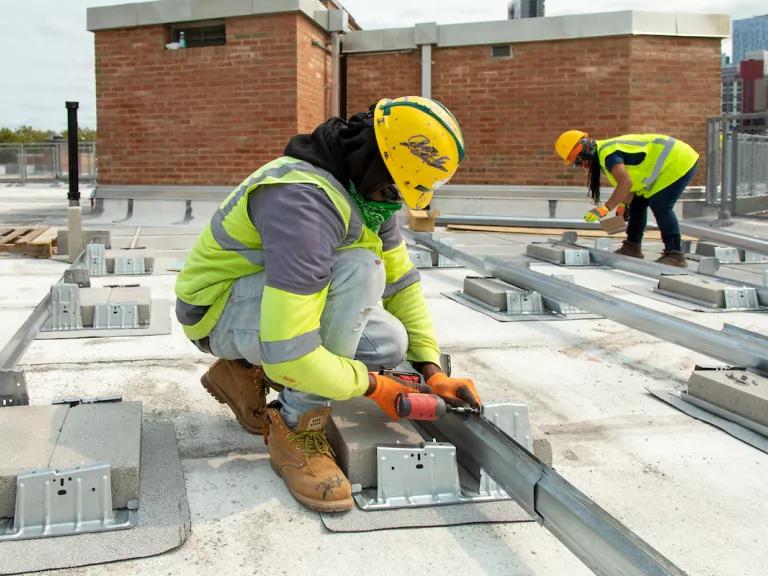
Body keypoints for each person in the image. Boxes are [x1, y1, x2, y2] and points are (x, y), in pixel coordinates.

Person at [175, 96, 482, 512]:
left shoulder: (367, 188)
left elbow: (403, 283)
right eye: (393, 189)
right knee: (361, 269)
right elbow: (291, 355)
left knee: (389, 342)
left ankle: (243, 368)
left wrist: (430, 368)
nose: (394, 203)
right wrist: (372, 386)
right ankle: (297, 427)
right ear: (378, 160)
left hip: (263, 303)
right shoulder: (302, 202)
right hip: (216, 313)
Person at [554, 130, 699, 267]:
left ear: (584, 151)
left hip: (678, 160)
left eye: (579, 161)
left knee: (660, 205)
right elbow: (629, 186)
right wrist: (624, 204)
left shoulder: (608, 154)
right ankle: (632, 247)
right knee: (637, 204)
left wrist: (606, 208)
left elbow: (625, 182)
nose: (583, 166)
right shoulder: (604, 159)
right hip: (665, 166)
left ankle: (674, 254)